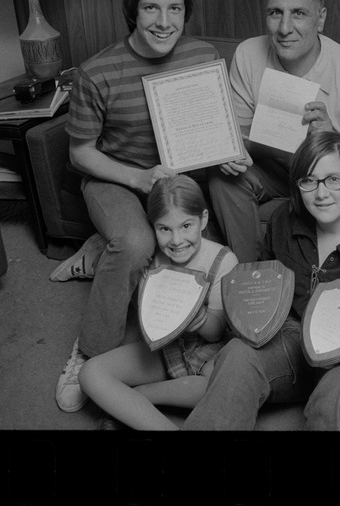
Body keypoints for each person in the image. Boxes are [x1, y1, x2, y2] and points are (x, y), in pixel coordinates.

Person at [55, 0, 221, 413]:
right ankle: (86, 353)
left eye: (175, 8)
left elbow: (212, 127)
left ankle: (97, 248)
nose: (164, 21)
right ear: (133, 9)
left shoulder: (204, 56)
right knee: (133, 242)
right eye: (152, 8)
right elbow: (80, 152)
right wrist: (138, 178)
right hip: (117, 179)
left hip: (177, 181)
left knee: (209, 246)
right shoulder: (97, 71)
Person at [182, 131, 340, 431]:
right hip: (294, 338)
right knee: (237, 355)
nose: (321, 193)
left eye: (334, 179)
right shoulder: (284, 220)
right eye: (309, 180)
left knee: (339, 393)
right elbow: (267, 290)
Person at [209, 0, 340, 264]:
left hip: (325, 176)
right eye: (276, 13)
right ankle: (253, 278)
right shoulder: (248, 53)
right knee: (222, 178)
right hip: (269, 170)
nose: (285, 27)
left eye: (298, 13)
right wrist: (237, 148)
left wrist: (331, 141)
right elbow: (237, 137)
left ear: (321, 18)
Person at [77, 175, 238, 431]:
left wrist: (202, 319)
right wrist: (143, 293)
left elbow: (216, 333)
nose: (176, 240)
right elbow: (148, 325)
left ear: (203, 220)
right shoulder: (154, 258)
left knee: (223, 384)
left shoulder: (224, 260)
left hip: (208, 352)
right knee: (90, 373)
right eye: (165, 229)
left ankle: (142, 396)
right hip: (163, 348)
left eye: (186, 226)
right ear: (153, 227)